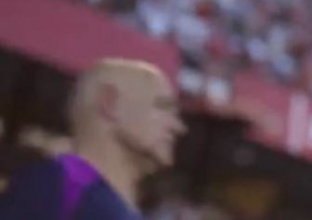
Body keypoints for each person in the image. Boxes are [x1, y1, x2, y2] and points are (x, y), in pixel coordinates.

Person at [0, 58, 186, 219]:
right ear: (110, 103)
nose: (178, 127)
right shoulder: (57, 184)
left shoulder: (57, 184)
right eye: (161, 106)